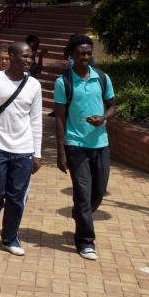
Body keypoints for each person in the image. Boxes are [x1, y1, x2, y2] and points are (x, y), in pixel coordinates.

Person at [0, 41, 43, 256]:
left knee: (16, 196)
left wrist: (37, 153)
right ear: (12, 56)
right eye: (25, 56)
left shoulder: (34, 85)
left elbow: (36, 121)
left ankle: (10, 238)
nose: (29, 61)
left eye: (31, 57)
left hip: (23, 149)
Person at [54, 34, 115, 261]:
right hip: (75, 145)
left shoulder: (102, 77)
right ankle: (85, 241)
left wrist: (104, 118)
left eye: (89, 53)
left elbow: (112, 106)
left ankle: (80, 214)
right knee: (82, 194)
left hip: (100, 144)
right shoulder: (64, 82)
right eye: (81, 54)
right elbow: (60, 118)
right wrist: (61, 152)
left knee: (98, 192)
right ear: (70, 55)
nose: (86, 57)